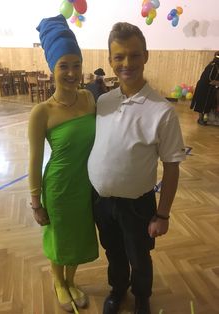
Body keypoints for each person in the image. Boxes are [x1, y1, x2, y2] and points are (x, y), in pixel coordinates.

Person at [88, 22, 186, 314]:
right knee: (114, 252)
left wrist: (163, 214)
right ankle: (117, 290)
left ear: (146, 56)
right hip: (101, 201)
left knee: (139, 257)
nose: (126, 63)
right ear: (110, 61)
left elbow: (171, 167)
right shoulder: (103, 101)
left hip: (137, 206)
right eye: (118, 57)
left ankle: (142, 296)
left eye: (133, 55)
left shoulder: (162, 111)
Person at [28, 14, 98, 312]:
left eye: (76, 64)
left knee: (79, 235)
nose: (71, 72)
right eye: (63, 66)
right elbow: (33, 160)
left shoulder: (89, 99)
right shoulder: (42, 112)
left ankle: (72, 280)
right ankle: (59, 282)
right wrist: (36, 202)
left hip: (86, 185)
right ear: (52, 68)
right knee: (60, 237)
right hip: (58, 186)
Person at [190, 51, 219, 125]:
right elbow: (209, 78)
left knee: (208, 103)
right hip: (204, 87)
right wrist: (216, 82)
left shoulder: (215, 65)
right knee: (203, 103)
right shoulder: (213, 65)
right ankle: (200, 119)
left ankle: (208, 119)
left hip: (209, 88)